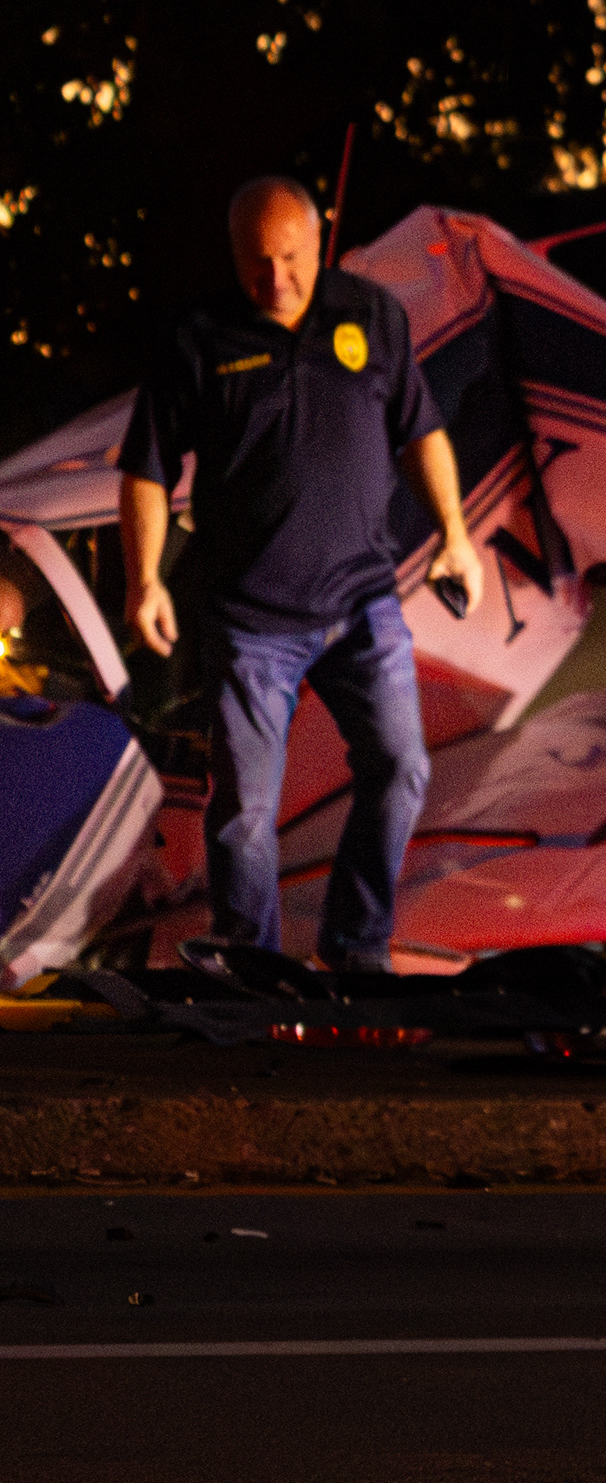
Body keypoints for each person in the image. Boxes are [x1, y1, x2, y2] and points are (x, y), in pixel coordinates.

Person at [117, 176, 484, 975]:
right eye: (256, 262)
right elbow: (146, 469)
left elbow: (423, 432)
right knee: (247, 808)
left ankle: (356, 948)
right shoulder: (198, 337)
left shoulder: (372, 317)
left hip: (363, 602)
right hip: (250, 619)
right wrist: (143, 579)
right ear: (233, 256)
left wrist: (456, 536)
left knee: (399, 766)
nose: (274, 280)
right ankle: (254, 964)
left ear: (320, 246)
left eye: (289, 258)